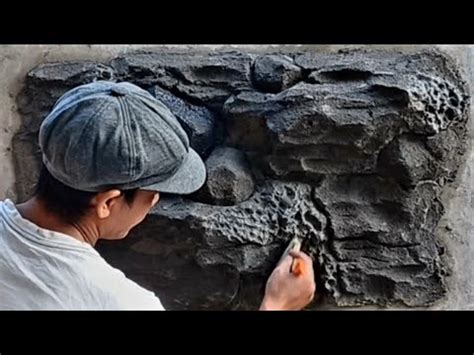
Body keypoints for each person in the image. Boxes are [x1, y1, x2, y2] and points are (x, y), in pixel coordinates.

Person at [0, 81, 316, 310]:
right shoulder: (121, 304)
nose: (155, 203)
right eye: (155, 193)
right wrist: (278, 304)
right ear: (108, 203)